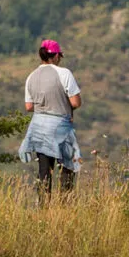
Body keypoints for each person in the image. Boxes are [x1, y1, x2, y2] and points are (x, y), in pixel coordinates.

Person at [19, 39, 81, 200]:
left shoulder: (31, 76)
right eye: (59, 56)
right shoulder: (64, 73)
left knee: (44, 171)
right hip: (60, 127)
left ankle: (43, 207)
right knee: (68, 167)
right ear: (54, 56)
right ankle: (64, 205)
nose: (60, 59)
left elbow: (28, 106)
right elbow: (75, 102)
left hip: (39, 127)